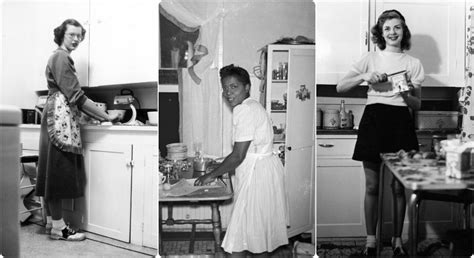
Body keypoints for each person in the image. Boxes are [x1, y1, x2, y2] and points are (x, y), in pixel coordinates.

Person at [336, 10, 424, 256]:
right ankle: (371, 242)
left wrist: (405, 93)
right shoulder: (370, 58)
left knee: (398, 188)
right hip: (373, 120)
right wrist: (364, 76)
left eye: (397, 27)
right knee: (372, 186)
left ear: (403, 31)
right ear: (381, 33)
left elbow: (418, 105)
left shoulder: (413, 64)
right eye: (387, 28)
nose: (393, 32)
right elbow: (340, 86)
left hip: (400, 123)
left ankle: (397, 241)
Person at [36, 19, 119, 241]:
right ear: (62, 34)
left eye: (79, 36)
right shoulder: (61, 57)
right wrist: (106, 115)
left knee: (55, 171)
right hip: (58, 120)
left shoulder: (60, 57)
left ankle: (52, 223)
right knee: (58, 172)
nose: (76, 39)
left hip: (58, 118)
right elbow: (76, 96)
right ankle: (59, 228)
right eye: (72, 34)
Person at [194, 64, 288, 257]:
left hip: (257, 175)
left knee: (243, 233)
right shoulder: (253, 105)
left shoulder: (243, 110)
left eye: (233, 87)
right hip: (265, 170)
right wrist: (220, 164)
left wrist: (210, 175)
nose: (228, 92)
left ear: (247, 87)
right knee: (258, 232)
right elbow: (249, 148)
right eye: (225, 87)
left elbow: (238, 155)